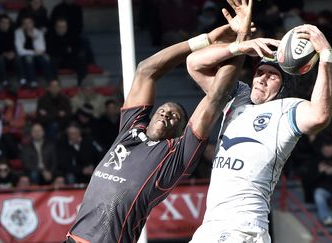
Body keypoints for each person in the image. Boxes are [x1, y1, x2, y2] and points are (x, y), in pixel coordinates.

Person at [65, 1, 268, 241]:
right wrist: (207, 39)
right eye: (163, 109)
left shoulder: (176, 155)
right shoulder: (130, 130)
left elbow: (217, 96)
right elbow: (146, 70)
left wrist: (240, 42)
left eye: (176, 116)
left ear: (181, 131)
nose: (167, 114)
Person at [188, 14, 332, 243]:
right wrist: (239, 46)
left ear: (284, 86)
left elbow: (320, 115)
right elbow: (195, 64)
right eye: (259, 72)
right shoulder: (237, 96)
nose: (262, 79)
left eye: (272, 75)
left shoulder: (287, 110)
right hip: (211, 225)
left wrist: (326, 56)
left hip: (243, 227)